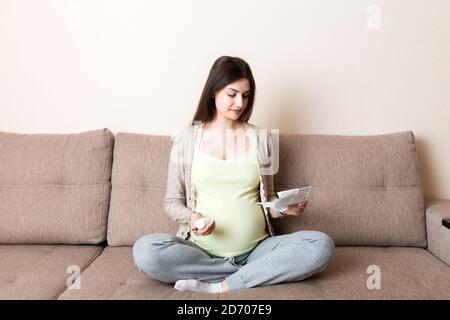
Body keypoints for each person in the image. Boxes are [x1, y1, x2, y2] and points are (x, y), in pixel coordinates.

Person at [132, 56, 334, 293]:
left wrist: (282, 208)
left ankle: (222, 284)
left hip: (258, 249)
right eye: (232, 94)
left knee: (321, 246)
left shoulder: (261, 139)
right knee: (145, 251)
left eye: (246, 95)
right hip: (201, 251)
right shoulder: (185, 140)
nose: (240, 103)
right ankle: (254, 274)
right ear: (213, 91)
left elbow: (264, 200)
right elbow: (171, 201)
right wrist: (193, 217)